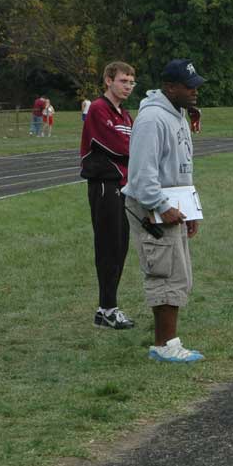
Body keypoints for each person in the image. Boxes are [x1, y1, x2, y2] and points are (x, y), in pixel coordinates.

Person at [122, 59, 206, 362]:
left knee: (178, 274)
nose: (195, 91)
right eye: (189, 86)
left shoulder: (177, 114)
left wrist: (191, 208)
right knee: (164, 272)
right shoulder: (152, 120)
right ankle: (164, 345)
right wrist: (160, 206)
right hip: (153, 208)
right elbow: (142, 175)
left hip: (173, 205)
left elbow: (181, 167)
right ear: (170, 87)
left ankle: (168, 342)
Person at [80, 61, 137, 330]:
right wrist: (139, 150)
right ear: (108, 80)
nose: (128, 86)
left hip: (123, 185)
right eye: (123, 81)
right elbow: (116, 145)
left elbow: (133, 141)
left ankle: (108, 307)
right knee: (108, 246)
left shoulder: (125, 115)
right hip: (105, 184)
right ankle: (107, 309)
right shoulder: (98, 109)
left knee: (120, 246)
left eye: (131, 82)